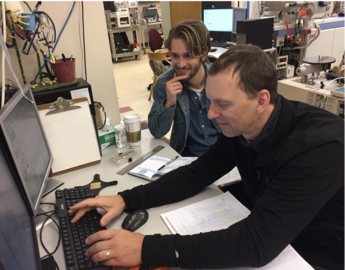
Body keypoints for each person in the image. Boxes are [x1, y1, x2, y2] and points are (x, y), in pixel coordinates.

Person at [69, 44, 344, 270]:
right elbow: (198, 173)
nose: (211, 114)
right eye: (211, 100)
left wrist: (147, 248)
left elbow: (256, 245)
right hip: (276, 230)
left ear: (261, 100)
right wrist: (126, 199)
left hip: (317, 251)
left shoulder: (319, 147)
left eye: (222, 104)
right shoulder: (242, 127)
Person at [147, 20, 221, 157]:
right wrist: (169, 104)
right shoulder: (164, 83)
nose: (181, 64)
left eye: (188, 55)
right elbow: (156, 131)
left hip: (224, 156)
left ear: (203, 54)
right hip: (186, 158)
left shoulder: (222, 79)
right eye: (175, 56)